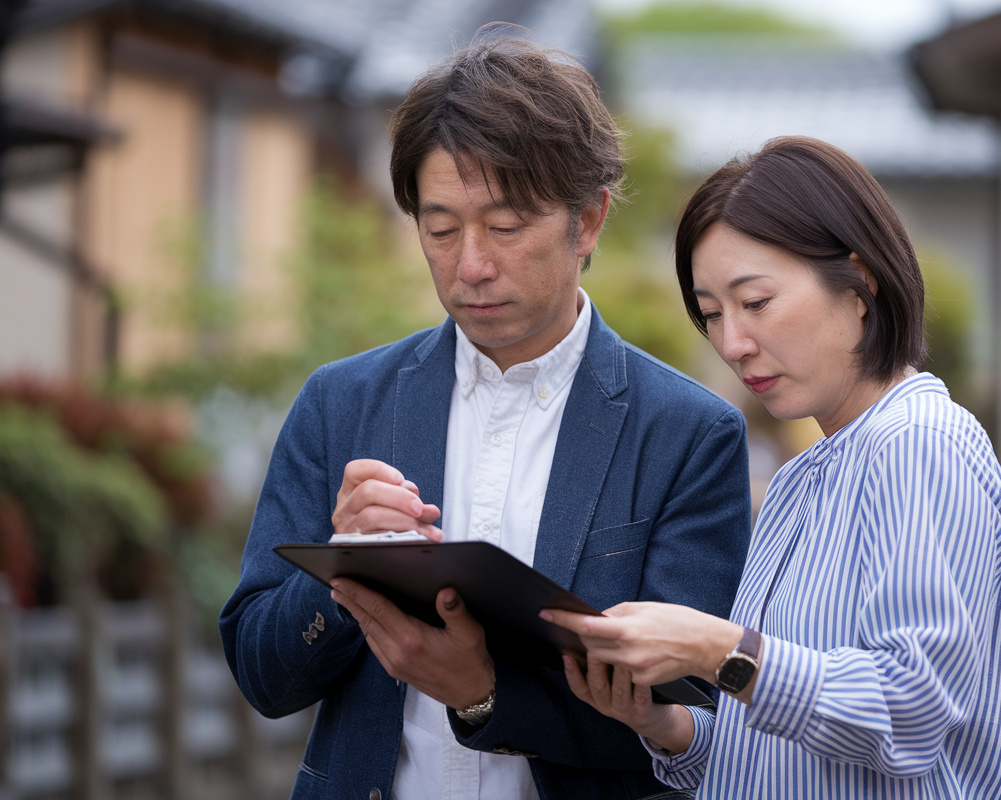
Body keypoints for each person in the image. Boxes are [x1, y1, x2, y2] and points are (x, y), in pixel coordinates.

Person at [219, 36, 753, 800]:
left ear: (588, 221)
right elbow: (261, 675)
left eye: (505, 226)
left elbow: (693, 715)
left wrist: (484, 693)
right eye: (440, 229)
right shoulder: (342, 403)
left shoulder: (686, 433)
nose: (470, 264)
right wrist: (341, 573)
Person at [543, 136, 1001, 798]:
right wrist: (664, 723)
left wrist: (716, 649)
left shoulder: (918, 443)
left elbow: (907, 714)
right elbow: (778, 754)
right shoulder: (800, 480)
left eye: (755, 302)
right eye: (711, 314)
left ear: (860, 284)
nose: (732, 343)